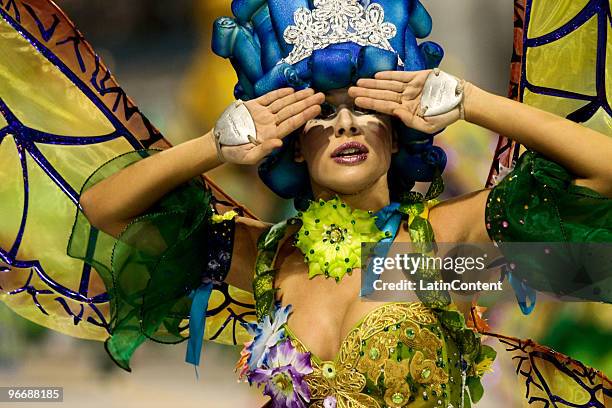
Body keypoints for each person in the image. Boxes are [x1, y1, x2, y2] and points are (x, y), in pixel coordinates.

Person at [0, 0, 610, 407]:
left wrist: (476, 103)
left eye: (365, 107)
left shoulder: (437, 252)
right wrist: (212, 145)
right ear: (292, 139)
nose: (346, 124)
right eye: (322, 112)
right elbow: (107, 210)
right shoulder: (271, 259)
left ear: (395, 130)